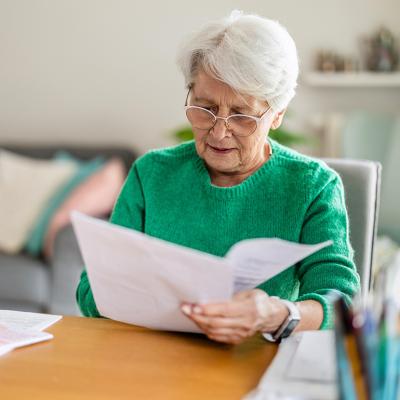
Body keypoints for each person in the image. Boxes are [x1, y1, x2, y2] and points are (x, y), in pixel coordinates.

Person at [76, 10, 360, 344]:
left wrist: (275, 314)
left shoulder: (313, 186)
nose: (219, 131)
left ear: (277, 114)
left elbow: (340, 298)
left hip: (257, 364)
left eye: (241, 115)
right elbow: (90, 291)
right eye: (205, 107)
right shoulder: (151, 174)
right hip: (155, 360)